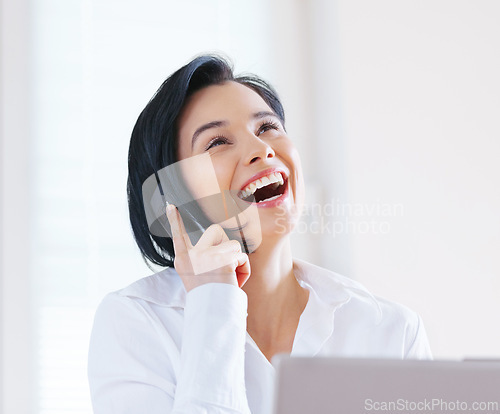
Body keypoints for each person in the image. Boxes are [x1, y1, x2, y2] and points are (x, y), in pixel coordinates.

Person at [87, 54, 432, 414]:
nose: (261, 150)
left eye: (267, 127)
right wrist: (213, 302)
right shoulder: (135, 324)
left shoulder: (390, 331)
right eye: (217, 142)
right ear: (173, 197)